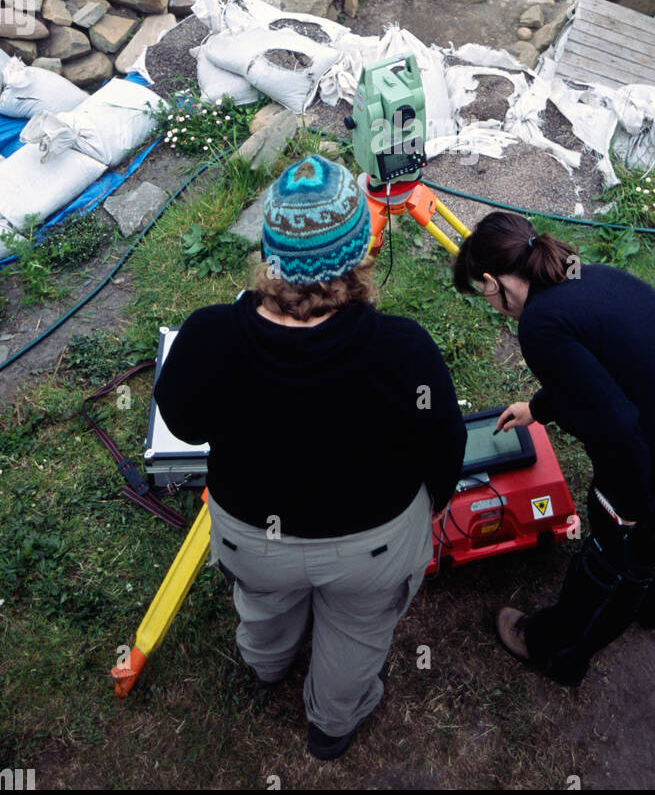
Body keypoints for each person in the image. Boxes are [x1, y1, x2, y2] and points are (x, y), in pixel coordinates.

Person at [154, 155, 467, 760]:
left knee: (265, 605)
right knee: (357, 634)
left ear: (270, 254)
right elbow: (446, 444)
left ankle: (265, 666)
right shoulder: (404, 349)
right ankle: (331, 725)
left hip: (252, 537)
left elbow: (183, 421)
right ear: (359, 255)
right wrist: (430, 509)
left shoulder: (210, 334)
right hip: (371, 547)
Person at [453, 210, 655, 688]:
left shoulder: (540, 326)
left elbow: (617, 428)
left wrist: (627, 512)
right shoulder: (591, 277)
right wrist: (539, 407)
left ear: (491, 282)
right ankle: (654, 606)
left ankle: (556, 649)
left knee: (612, 560)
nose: (491, 304)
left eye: (484, 293)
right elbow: (612, 372)